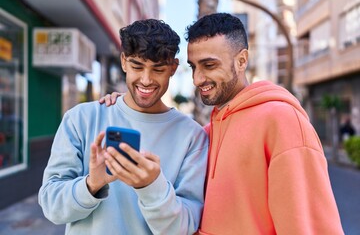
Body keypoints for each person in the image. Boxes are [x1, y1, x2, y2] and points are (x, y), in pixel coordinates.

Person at [101, 13, 344, 234]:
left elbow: (309, 227)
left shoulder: (283, 121)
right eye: (194, 67)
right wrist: (123, 103)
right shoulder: (207, 132)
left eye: (209, 65)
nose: (197, 79)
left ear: (242, 60)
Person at [38, 19, 208, 235]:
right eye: (137, 66)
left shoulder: (192, 137)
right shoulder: (80, 118)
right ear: (124, 62)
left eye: (158, 69)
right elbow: (52, 208)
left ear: (173, 68)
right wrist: (92, 184)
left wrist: (152, 186)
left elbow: (183, 228)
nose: (146, 80)